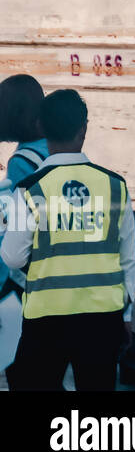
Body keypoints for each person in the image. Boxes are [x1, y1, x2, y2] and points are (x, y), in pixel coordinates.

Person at [2, 89, 135, 391]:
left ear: (41, 128)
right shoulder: (115, 187)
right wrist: (126, 316)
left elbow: (12, 257)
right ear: (84, 129)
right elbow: (128, 258)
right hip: (103, 318)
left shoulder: (29, 189)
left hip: (47, 317)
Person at [0, 74, 49, 371]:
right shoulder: (51, 148)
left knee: (24, 371)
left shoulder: (21, 162)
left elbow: (18, 231)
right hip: (59, 278)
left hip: (26, 285)